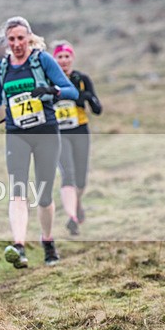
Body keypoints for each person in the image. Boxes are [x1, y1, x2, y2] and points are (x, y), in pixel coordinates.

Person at [0, 16, 78, 268]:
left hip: (46, 132)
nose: (16, 44)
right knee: (18, 191)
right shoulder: (0, 68)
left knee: (44, 195)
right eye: (11, 39)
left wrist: (52, 91)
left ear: (29, 38)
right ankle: (19, 246)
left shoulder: (42, 60)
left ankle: (47, 241)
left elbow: (71, 91)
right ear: (6, 41)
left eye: (20, 38)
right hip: (17, 134)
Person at [51, 41, 103, 236]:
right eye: (59, 57)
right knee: (68, 174)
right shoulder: (48, 80)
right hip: (59, 133)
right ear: (54, 60)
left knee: (81, 178)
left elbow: (98, 109)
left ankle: (77, 203)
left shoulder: (82, 79)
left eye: (66, 57)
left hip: (80, 130)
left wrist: (86, 97)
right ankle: (72, 217)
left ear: (72, 58)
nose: (63, 61)